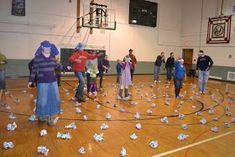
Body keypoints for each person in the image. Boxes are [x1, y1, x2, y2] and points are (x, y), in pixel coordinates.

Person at [28, 40, 71, 125]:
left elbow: (57, 66)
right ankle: (42, 115)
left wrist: (66, 67)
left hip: (53, 82)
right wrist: (30, 80)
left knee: (54, 99)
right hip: (42, 82)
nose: (48, 49)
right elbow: (34, 70)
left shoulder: (52, 57)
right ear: (42, 48)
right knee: (43, 99)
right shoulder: (38, 58)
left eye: (49, 48)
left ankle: (51, 117)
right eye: (46, 48)